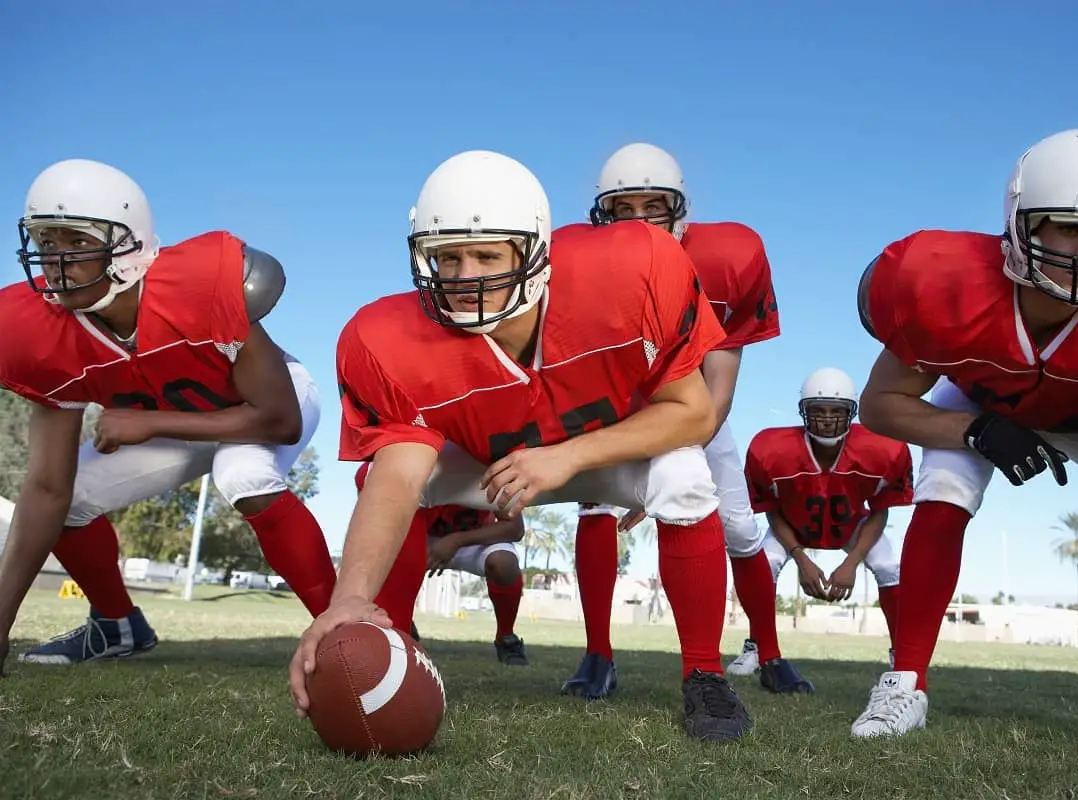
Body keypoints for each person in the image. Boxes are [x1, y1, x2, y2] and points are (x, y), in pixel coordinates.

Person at [288, 149, 754, 742]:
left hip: (592, 455)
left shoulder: (632, 273)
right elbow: (401, 476)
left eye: (485, 254)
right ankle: (392, 638)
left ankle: (705, 676)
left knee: (685, 476)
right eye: (447, 256)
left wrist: (567, 456)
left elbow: (693, 414)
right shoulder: (384, 339)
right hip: (487, 466)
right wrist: (348, 598)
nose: (464, 277)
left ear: (535, 250)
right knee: (382, 476)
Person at [849, 128, 1078, 746]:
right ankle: (905, 683)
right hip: (985, 404)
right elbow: (878, 407)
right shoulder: (944, 286)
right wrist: (975, 429)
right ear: (1021, 224)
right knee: (943, 487)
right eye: (1070, 227)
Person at [0, 159, 336, 673]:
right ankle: (117, 625)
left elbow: (279, 420)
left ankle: (347, 626)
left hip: (267, 403)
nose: (56, 262)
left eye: (75, 242)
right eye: (46, 244)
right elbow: (47, 488)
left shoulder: (199, 286)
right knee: (70, 498)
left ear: (129, 248)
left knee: (241, 471)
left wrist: (150, 422)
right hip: (179, 422)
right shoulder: (39, 334)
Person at [561, 142, 808, 700]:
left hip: (696, 409)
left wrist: (657, 481)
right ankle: (598, 653)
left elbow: (716, 392)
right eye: (624, 209)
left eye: (653, 206)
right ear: (602, 217)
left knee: (742, 531)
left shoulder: (726, 260)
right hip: (618, 407)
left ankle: (768, 651)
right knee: (595, 502)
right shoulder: (583, 266)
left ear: (681, 209)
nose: (639, 221)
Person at [740, 367, 910, 674]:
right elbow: (772, 508)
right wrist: (801, 558)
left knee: (888, 568)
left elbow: (880, 509)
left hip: (851, 525)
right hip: (791, 524)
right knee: (762, 563)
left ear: (851, 413)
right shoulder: (771, 450)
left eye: (837, 410)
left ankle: (903, 656)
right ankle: (759, 645)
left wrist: (852, 562)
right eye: (819, 410)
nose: (828, 418)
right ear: (804, 411)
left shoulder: (883, 448)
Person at [352, 462, 528, 665]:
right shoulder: (380, 469)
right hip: (425, 540)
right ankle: (399, 622)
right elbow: (378, 527)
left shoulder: (488, 463)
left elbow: (515, 529)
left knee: (504, 564)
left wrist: (455, 541)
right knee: (383, 555)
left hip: (472, 540)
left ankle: (506, 636)